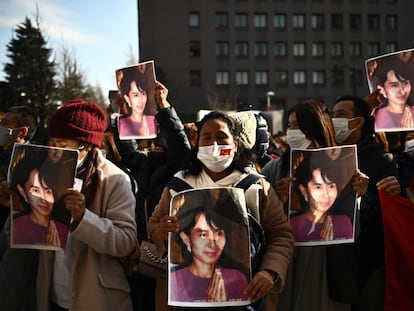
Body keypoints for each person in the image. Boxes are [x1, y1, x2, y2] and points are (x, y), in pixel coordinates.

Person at [147, 110, 294, 310]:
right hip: (184, 300)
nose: (214, 145)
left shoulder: (256, 188)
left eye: (221, 137)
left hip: (245, 299)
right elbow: (153, 225)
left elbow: (280, 235)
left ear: (235, 144)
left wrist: (269, 272)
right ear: (197, 144)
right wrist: (161, 231)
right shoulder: (179, 185)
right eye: (206, 138)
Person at [261, 100, 369, 311]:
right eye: (290, 126)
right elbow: (259, 220)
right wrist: (274, 199)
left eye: (299, 127)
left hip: (325, 266)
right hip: (287, 259)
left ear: (316, 129)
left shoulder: (342, 167)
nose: (293, 132)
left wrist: (358, 196)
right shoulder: (273, 169)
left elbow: (353, 229)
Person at [36, 99, 137, 311]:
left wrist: (83, 218)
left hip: (97, 299)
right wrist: (19, 206)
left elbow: (126, 241)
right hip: (54, 294)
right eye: (52, 143)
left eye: (63, 145)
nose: (55, 150)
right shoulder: (44, 173)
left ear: (87, 144)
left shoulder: (115, 179)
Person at [113, 81, 191, 311]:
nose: (153, 144)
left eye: (159, 139)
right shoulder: (142, 165)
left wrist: (164, 106)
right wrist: (123, 115)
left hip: (170, 258)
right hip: (140, 256)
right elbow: (128, 151)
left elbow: (180, 147)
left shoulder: (178, 168)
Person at [332, 95, 402, 310]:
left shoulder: (381, 160)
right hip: (334, 262)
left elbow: (389, 214)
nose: (335, 120)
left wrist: (370, 196)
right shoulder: (324, 157)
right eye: (332, 115)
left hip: (369, 262)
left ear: (359, 121)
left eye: (341, 115)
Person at [169, 188, 249, 303]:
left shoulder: (238, 279)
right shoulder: (175, 280)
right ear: (186, 238)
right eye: (203, 234)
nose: (212, 242)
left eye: (219, 233)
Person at [10, 146, 72, 248]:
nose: (43, 198)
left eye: (48, 191)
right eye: (35, 190)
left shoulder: (64, 230)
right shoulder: (16, 227)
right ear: (23, 192)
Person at [290, 150, 354, 242]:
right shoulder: (293, 225)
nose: (326, 195)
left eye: (331, 186)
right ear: (304, 191)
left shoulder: (344, 223)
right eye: (318, 187)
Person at [369, 56, 414, 130]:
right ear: (382, 90)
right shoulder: (376, 117)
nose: (402, 90)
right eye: (394, 85)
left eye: (405, 83)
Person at [117, 62, 157, 138]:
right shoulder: (121, 126)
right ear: (127, 98)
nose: (141, 100)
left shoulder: (154, 121)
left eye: (143, 94)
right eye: (136, 95)